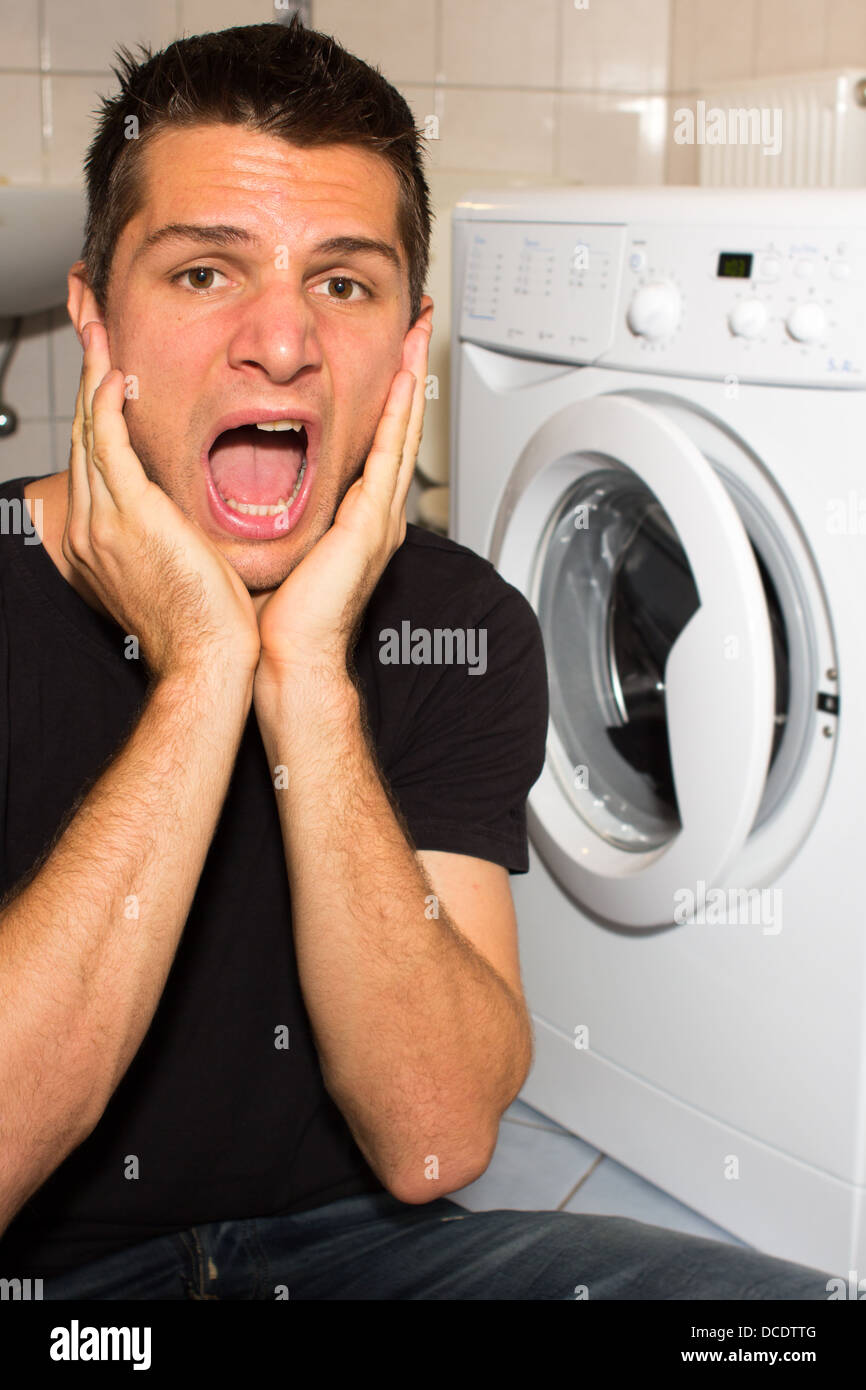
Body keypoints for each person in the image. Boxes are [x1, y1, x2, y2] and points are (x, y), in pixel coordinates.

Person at [0, 18, 836, 1300]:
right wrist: (199, 675)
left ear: (407, 349)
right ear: (93, 319)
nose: (280, 344)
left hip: (353, 1254)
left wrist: (305, 682)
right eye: (204, 273)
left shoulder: (459, 622)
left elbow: (435, 1137)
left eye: (342, 283)